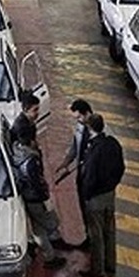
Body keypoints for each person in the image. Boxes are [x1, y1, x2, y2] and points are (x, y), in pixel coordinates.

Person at [10, 122, 66, 270]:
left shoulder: (16, 152)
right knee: (51, 222)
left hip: (27, 197)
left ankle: (49, 256)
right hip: (36, 198)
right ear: (31, 140)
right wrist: (45, 196)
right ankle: (46, 249)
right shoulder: (30, 160)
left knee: (38, 229)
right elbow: (36, 182)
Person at [78, 114, 124, 277]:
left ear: (90, 128)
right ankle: (110, 264)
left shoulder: (94, 149)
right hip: (109, 194)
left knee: (96, 234)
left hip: (95, 197)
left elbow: (90, 175)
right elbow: (121, 167)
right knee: (109, 231)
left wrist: (86, 194)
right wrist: (113, 184)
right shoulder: (113, 144)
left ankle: (97, 269)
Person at [55, 99, 94, 247]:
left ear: (87, 113)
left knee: (92, 210)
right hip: (81, 174)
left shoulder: (97, 130)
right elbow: (75, 146)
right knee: (82, 206)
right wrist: (65, 163)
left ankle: (94, 239)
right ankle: (88, 236)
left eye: (79, 117)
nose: (78, 120)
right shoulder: (79, 126)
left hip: (91, 177)